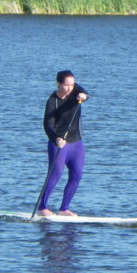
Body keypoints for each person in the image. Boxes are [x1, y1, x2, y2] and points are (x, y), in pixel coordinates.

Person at [38, 70, 89, 217]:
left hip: (76, 143)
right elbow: (47, 124)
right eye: (66, 85)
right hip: (59, 144)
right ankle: (42, 208)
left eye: (71, 85)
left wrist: (84, 96)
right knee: (56, 174)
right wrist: (56, 139)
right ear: (58, 84)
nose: (69, 88)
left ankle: (64, 209)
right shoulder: (52, 101)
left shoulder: (75, 91)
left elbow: (85, 94)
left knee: (77, 175)